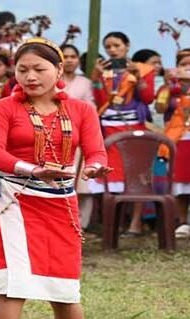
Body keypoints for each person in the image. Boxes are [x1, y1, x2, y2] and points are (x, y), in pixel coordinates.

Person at [0, 38, 110, 319]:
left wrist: (94, 167)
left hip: (61, 203)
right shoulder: (2, 108)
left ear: (59, 70)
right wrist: (33, 169)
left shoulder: (81, 110)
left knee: (65, 287)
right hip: (12, 200)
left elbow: (96, 151)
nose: (30, 76)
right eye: (22, 70)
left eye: (39, 69)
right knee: (13, 281)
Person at [90, 32, 156, 236]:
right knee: (111, 176)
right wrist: (96, 78)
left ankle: (135, 223)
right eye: (108, 46)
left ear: (127, 46)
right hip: (108, 128)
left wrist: (138, 76)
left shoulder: (144, 69)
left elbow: (147, 98)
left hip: (133, 127)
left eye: (116, 45)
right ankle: (113, 224)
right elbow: (101, 102)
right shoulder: (104, 71)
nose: (112, 50)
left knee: (135, 175)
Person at [60, 44, 96, 230]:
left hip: (80, 135)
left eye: (73, 56)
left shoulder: (85, 82)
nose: (69, 60)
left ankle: (81, 223)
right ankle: (60, 222)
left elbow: (91, 109)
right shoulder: (50, 80)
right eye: (65, 56)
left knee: (82, 183)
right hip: (56, 136)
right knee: (59, 180)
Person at [155, 49, 190, 237]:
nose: (187, 68)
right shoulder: (170, 88)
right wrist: (168, 87)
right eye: (184, 64)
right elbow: (160, 108)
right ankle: (183, 222)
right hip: (179, 138)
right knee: (181, 181)